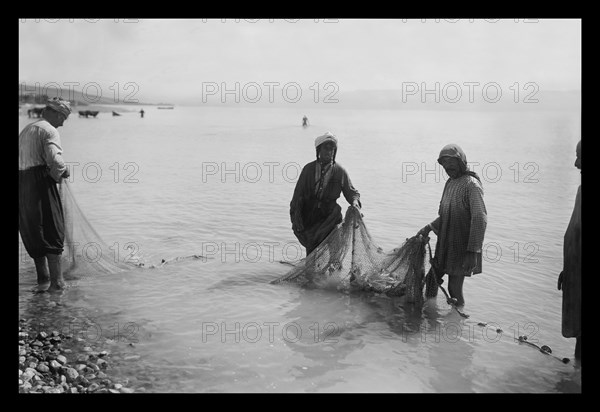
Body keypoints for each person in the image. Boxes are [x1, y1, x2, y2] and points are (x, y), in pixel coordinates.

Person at [416, 143, 487, 307]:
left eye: (451, 163)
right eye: (444, 164)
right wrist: (427, 228)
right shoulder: (450, 183)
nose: (448, 167)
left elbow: (479, 217)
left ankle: (457, 323)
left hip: (462, 246)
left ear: (461, 161)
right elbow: (445, 216)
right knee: (431, 281)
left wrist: (472, 251)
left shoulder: (471, 185)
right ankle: (429, 315)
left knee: (454, 288)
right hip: (445, 243)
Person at [19, 97, 72, 292]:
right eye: (63, 117)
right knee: (52, 227)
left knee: (33, 230)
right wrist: (63, 172)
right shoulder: (50, 130)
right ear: (56, 114)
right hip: (40, 182)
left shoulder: (26, 130)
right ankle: (56, 283)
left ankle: (42, 279)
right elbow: (55, 160)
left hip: (22, 184)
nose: (63, 123)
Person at [290, 132, 361, 255]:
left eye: (332, 149)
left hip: (331, 217)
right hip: (311, 219)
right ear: (318, 150)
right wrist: (297, 220)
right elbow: (297, 197)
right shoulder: (308, 170)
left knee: (335, 254)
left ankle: (334, 272)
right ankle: (311, 274)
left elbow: (351, 192)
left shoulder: (339, 171)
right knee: (312, 254)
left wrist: (355, 202)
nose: (330, 152)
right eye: (326, 149)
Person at [557, 140, 581, 361]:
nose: (576, 163)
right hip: (576, 274)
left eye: (580, 156)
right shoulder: (581, 191)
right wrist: (568, 270)